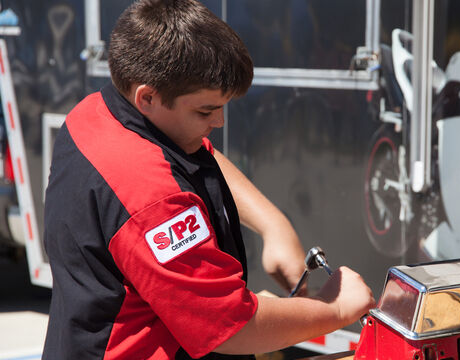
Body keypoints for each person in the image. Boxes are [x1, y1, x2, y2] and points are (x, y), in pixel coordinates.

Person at [41, 1, 376, 359]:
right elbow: (228, 326)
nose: (219, 122)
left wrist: (273, 224)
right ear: (148, 97)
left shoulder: (94, 114)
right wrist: (335, 307)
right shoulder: (152, 200)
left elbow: (198, 153)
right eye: (205, 110)